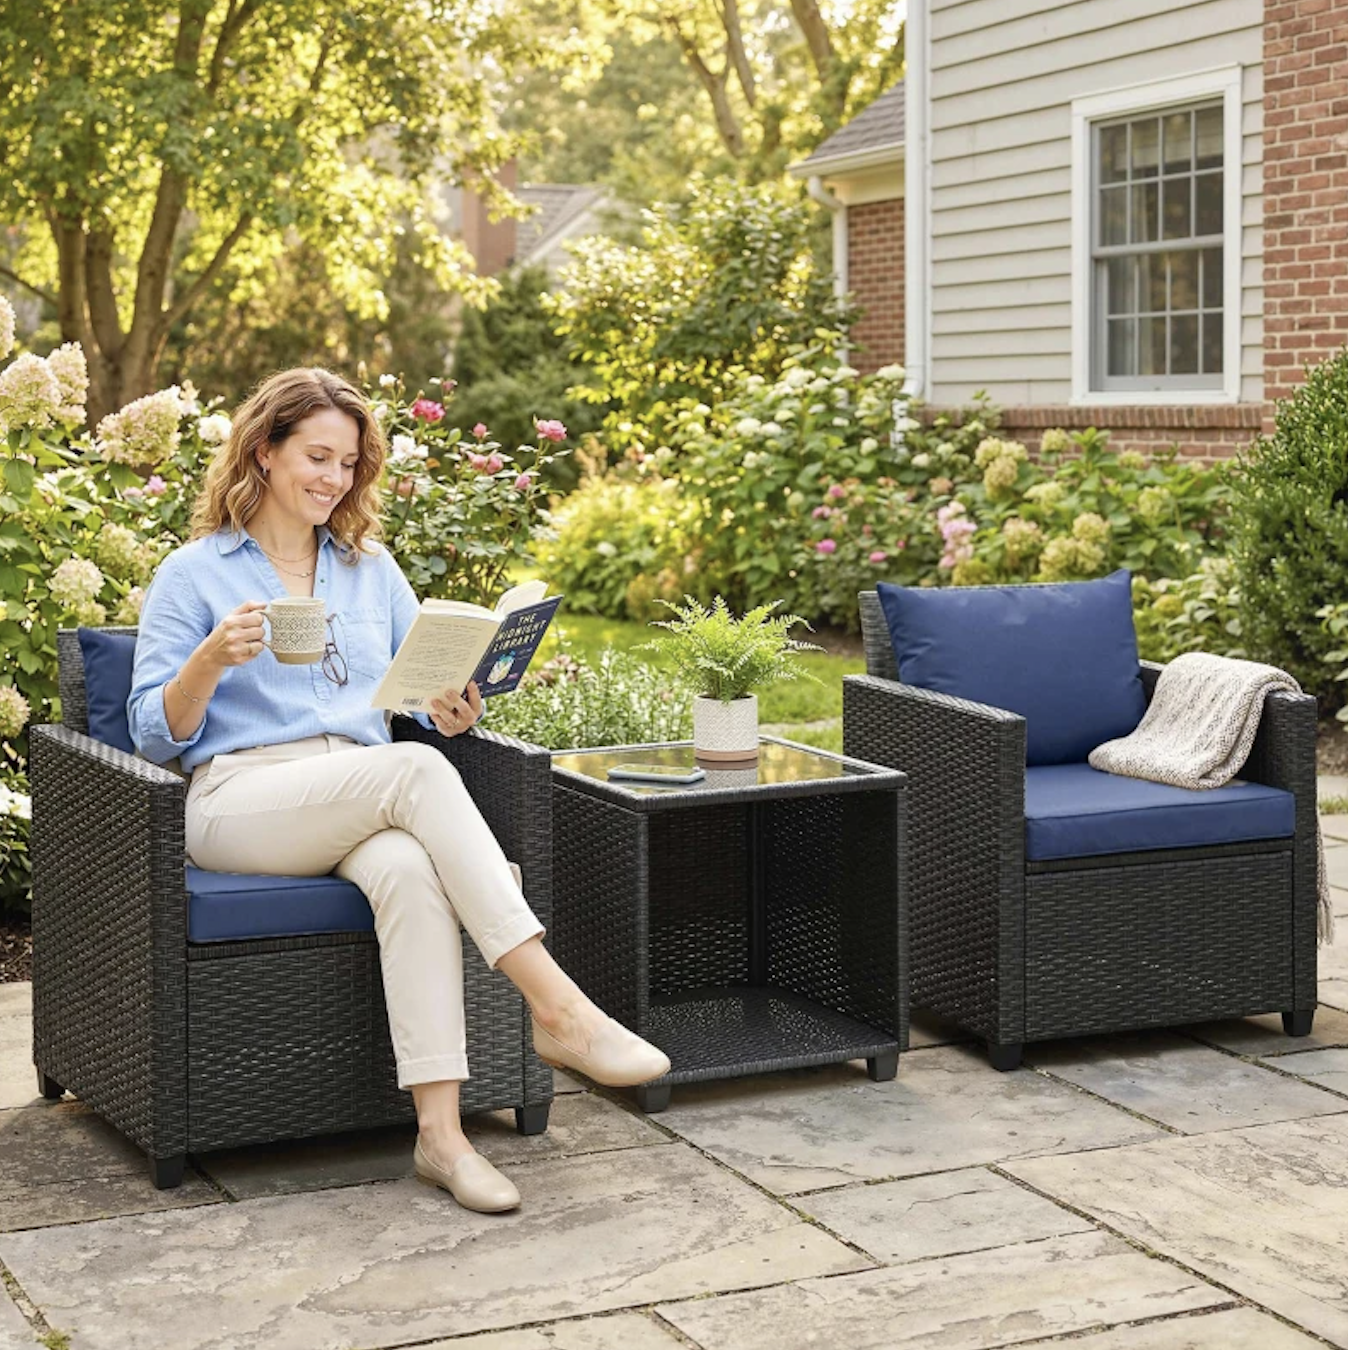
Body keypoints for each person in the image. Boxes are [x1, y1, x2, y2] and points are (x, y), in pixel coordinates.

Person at [127, 367, 669, 1214]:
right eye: (316, 456)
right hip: (240, 802)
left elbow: (415, 692)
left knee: (411, 871)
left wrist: (451, 706)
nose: (332, 480)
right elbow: (152, 735)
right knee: (413, 772)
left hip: (359, 790)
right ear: (263, 453)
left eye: (348, 464)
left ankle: (441, 1139)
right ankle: (559, 1009)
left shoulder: (368, 570)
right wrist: (208, 661)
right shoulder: (194, 575)